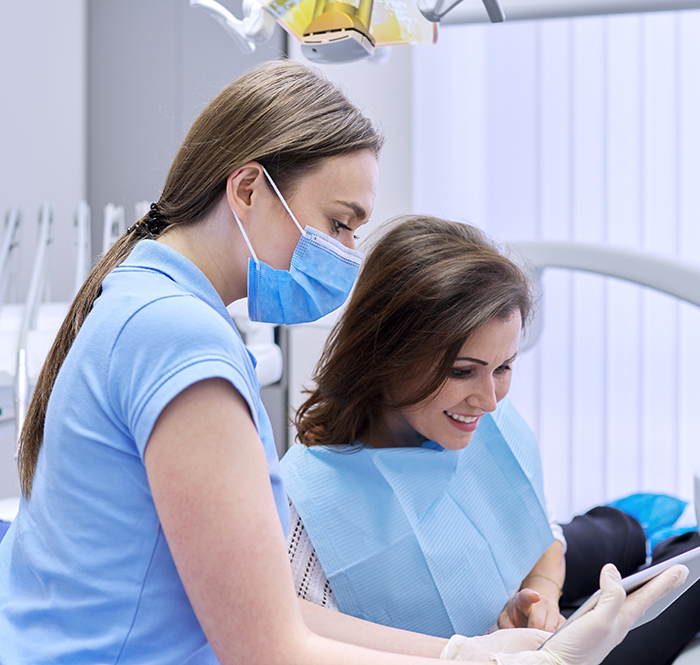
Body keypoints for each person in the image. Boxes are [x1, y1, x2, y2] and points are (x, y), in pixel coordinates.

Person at [0, 62, 684, 665]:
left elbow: (270, 611)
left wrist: (463, 650)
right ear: (247, 190)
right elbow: (267, 647)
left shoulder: (149, 301)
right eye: (338, 223)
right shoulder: (179, 340)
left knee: (632, 539)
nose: (349, 252)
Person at [283, 215, 700, 665]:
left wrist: (541, 596)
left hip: (519, 599)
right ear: (387, 352)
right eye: (462, 371)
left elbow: (544, 536)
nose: (489, 400)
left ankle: (638, 535)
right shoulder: (303, 511)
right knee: (690, 565)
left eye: (503, 368)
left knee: (621, 531)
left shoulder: (476, 420)